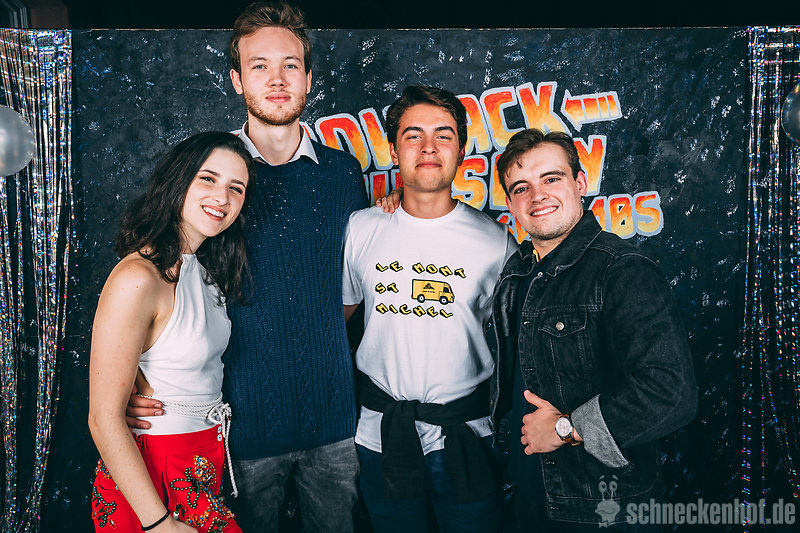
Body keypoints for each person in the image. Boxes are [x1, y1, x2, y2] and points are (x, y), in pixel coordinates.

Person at [126, 2, 380, 531]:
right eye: (259, 66)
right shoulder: (209, 178)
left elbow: (351, 288)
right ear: (238, 80)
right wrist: (135, 378)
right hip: (236, 424)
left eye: (290, 65)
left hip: (334, 417)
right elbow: (155, 281)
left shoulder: (342, 173)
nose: (277, 79)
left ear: (308, 78)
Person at [489, 128, 697, 531]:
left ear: (580, 183)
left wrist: (566, 428)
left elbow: (671, 393)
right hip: (531, 494)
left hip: (603, 508)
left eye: (552, 178)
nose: (537, 196)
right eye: (521, 188)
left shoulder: (621, 269)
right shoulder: (519, 272)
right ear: (511, 203)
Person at [342, 85, 518, 533]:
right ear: (393, 149)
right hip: (381, 435)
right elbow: (337, 323)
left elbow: (517, 343)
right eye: (413, 135)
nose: (428, 147)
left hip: (466, 435)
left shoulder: (496, 242)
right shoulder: (361, 229)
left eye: (443, 135)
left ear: (462, 150)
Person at [88, 131, 255, 533]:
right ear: (178, 179)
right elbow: (103, 418)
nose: (222, 197)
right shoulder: (138, 276)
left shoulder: (203, 269)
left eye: (236, 188)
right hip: (153, 472)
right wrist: (159, 524)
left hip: (201, 463)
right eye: (208, 179)